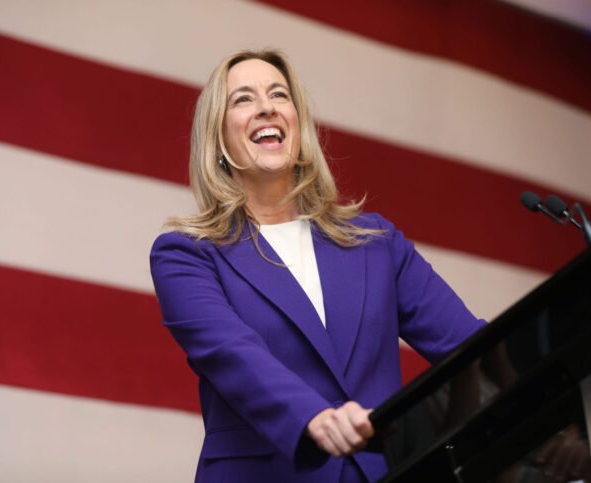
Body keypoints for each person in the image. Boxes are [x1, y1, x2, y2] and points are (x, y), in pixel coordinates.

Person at [149, 49, 485, 483]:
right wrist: (315, 417)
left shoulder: (375, 241)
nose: (267, 107)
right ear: (217, 139)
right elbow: (234, 355)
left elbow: (472, 348)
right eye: (243, 99)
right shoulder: (186, 254)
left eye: (279, 94)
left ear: (298, 123)